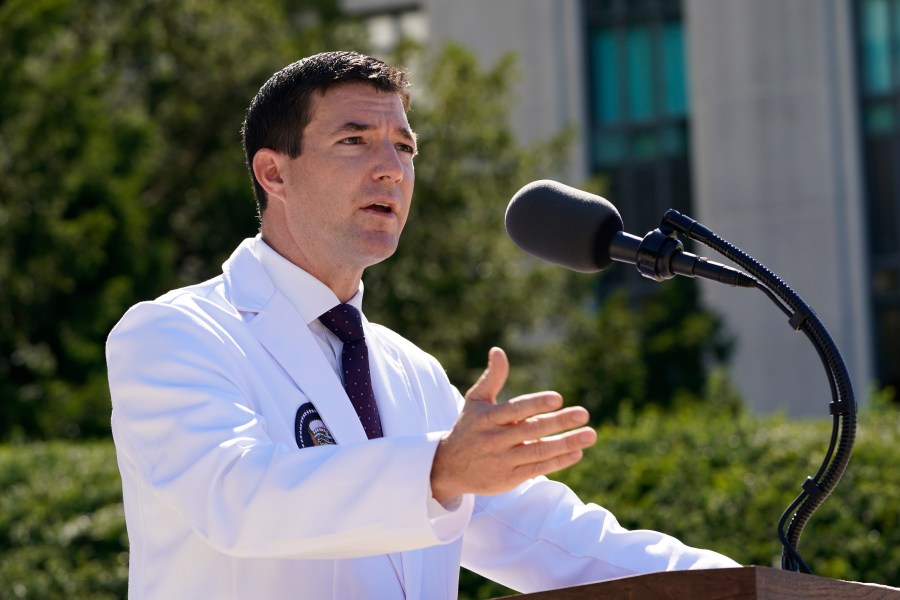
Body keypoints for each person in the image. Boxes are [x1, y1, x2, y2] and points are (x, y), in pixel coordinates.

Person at [106, 50, 739, 599]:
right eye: (354, 140)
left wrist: (738, 585)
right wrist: (435, 472)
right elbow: (237, 498)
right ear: (274, 172)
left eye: (405, 147)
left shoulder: (412, 371)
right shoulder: (173, 334)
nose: (391, 168)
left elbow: (557, 541)